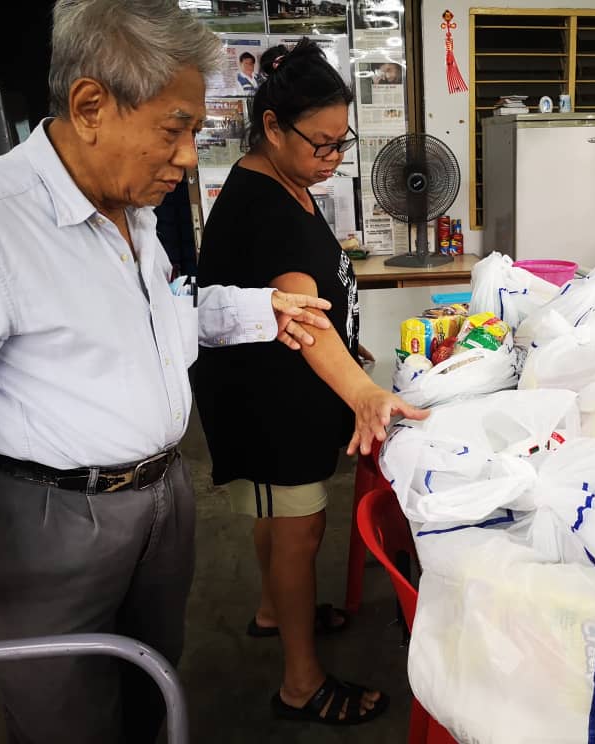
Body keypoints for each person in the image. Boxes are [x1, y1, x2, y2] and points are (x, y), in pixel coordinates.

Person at [0, 2, 333, 743]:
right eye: (176, 128)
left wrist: (266, 312)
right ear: (90, 105)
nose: (190, 156)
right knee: (69, 715)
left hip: (161, 500)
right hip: (50, 522)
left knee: (151, 685)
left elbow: (157, 319)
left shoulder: (128, 208)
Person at [193, 40, 427, 727]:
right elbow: (301, 310)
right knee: (297, 529)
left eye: (339, 143)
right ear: (270, 126)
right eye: (318, 144)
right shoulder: (262, 205)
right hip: (265, 402)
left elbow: (318, 301)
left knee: (282, 520)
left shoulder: (290, 180)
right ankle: (301, 683)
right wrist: (360, 390)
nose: (332, 157)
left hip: (291, 389)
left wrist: (347, 339)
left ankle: (275, 610)